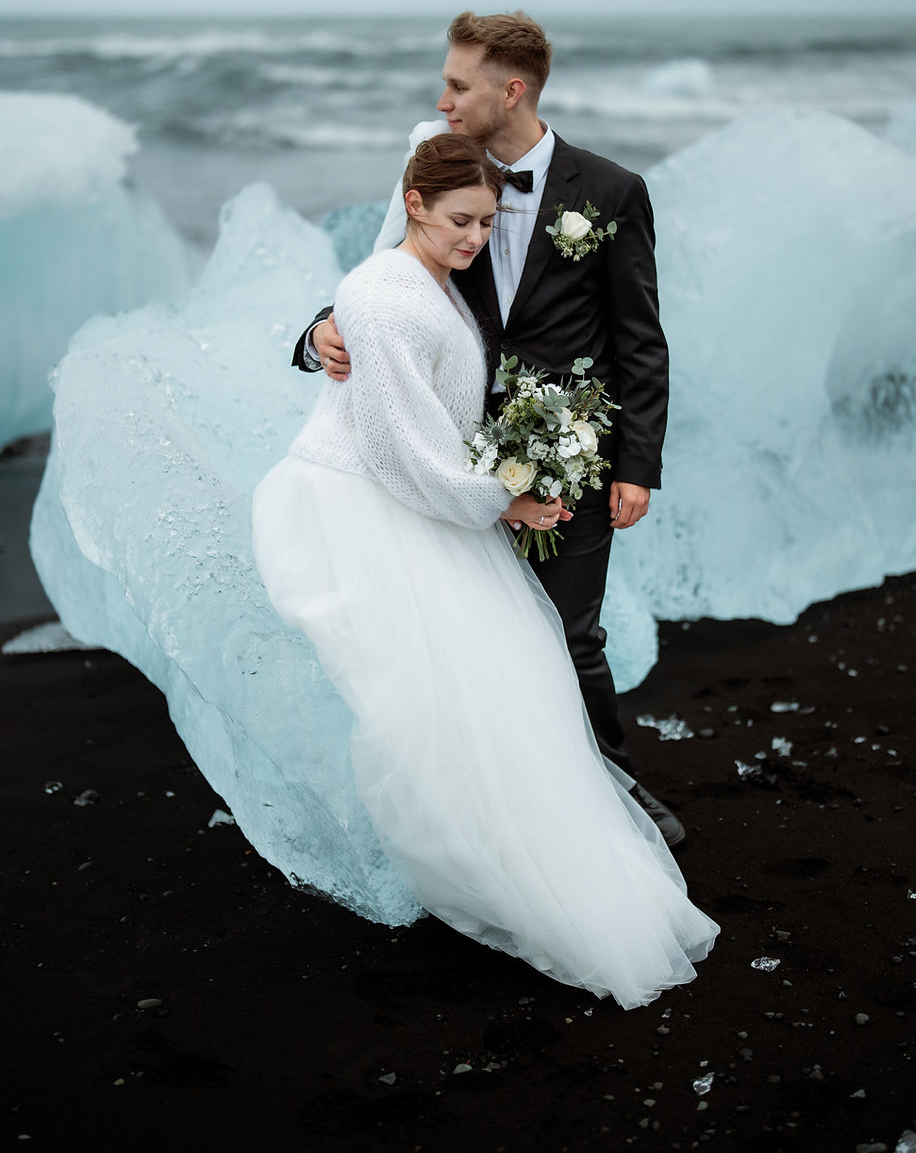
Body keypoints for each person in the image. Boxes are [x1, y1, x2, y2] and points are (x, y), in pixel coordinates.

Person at [255, 133, 717, 1007]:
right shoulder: (385, 293)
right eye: (461, 220)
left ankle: (574, 812)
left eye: (487, 222)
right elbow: (394, 435)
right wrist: (501, 500)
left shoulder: (579, 207)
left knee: (535, 661)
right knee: (446, 691)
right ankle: (479, 856)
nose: (477, 239)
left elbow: (636, 338)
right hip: (397, 506)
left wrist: (613, 464)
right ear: (416, 203)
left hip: (475, 485)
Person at [293, 11, 682, 842]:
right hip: (450, 453)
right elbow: (389, 272)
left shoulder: (611, 193)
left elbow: (639, 341)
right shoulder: (434, 168)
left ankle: (614, 790)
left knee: (571, 636)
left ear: (512, 90)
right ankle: (498, 806)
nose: (442, 98)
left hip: (563, 461)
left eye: (458, 84)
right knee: (482, 645)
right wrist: (319, 329)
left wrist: (635, 465)